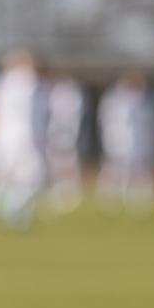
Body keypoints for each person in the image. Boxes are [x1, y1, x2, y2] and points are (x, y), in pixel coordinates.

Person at [0, 51, 49, 229]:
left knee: (1, 175)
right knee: (32, 175)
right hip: (20, 136)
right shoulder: (26, 80)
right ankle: (11, 210)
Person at [97, 72, 154, 214]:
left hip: (138, 143)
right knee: (114, 171)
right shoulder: (114, 100)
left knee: (139, 171)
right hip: (117, 141)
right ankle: (109, 200)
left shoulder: (146, 100)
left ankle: (139, 201)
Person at [46, 73, 84, 213]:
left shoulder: (73, 97)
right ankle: (58, 191)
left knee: (68, 164)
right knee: (56, 165)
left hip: (67, 134)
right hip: (55, 134)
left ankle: (72, 191)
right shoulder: (54, 96)